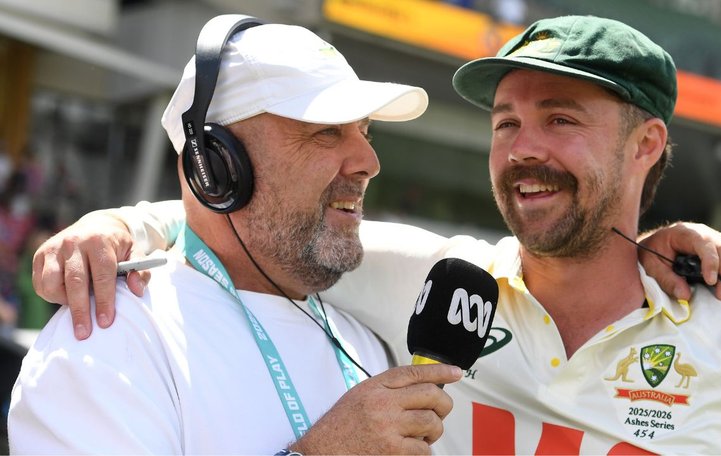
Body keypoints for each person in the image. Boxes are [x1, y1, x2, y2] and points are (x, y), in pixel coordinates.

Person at [24, 14, 721, 455]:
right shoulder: (424, 285)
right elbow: (231, 232)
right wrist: (115, 224)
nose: (524, 148)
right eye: (506, 124)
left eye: (560, 120)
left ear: (647, 146)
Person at [8, 17, 463, 455]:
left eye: (365, 131)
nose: (369, 161)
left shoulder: (362, 340)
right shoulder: (110, 339)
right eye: (326, 131)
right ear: (217, 166)